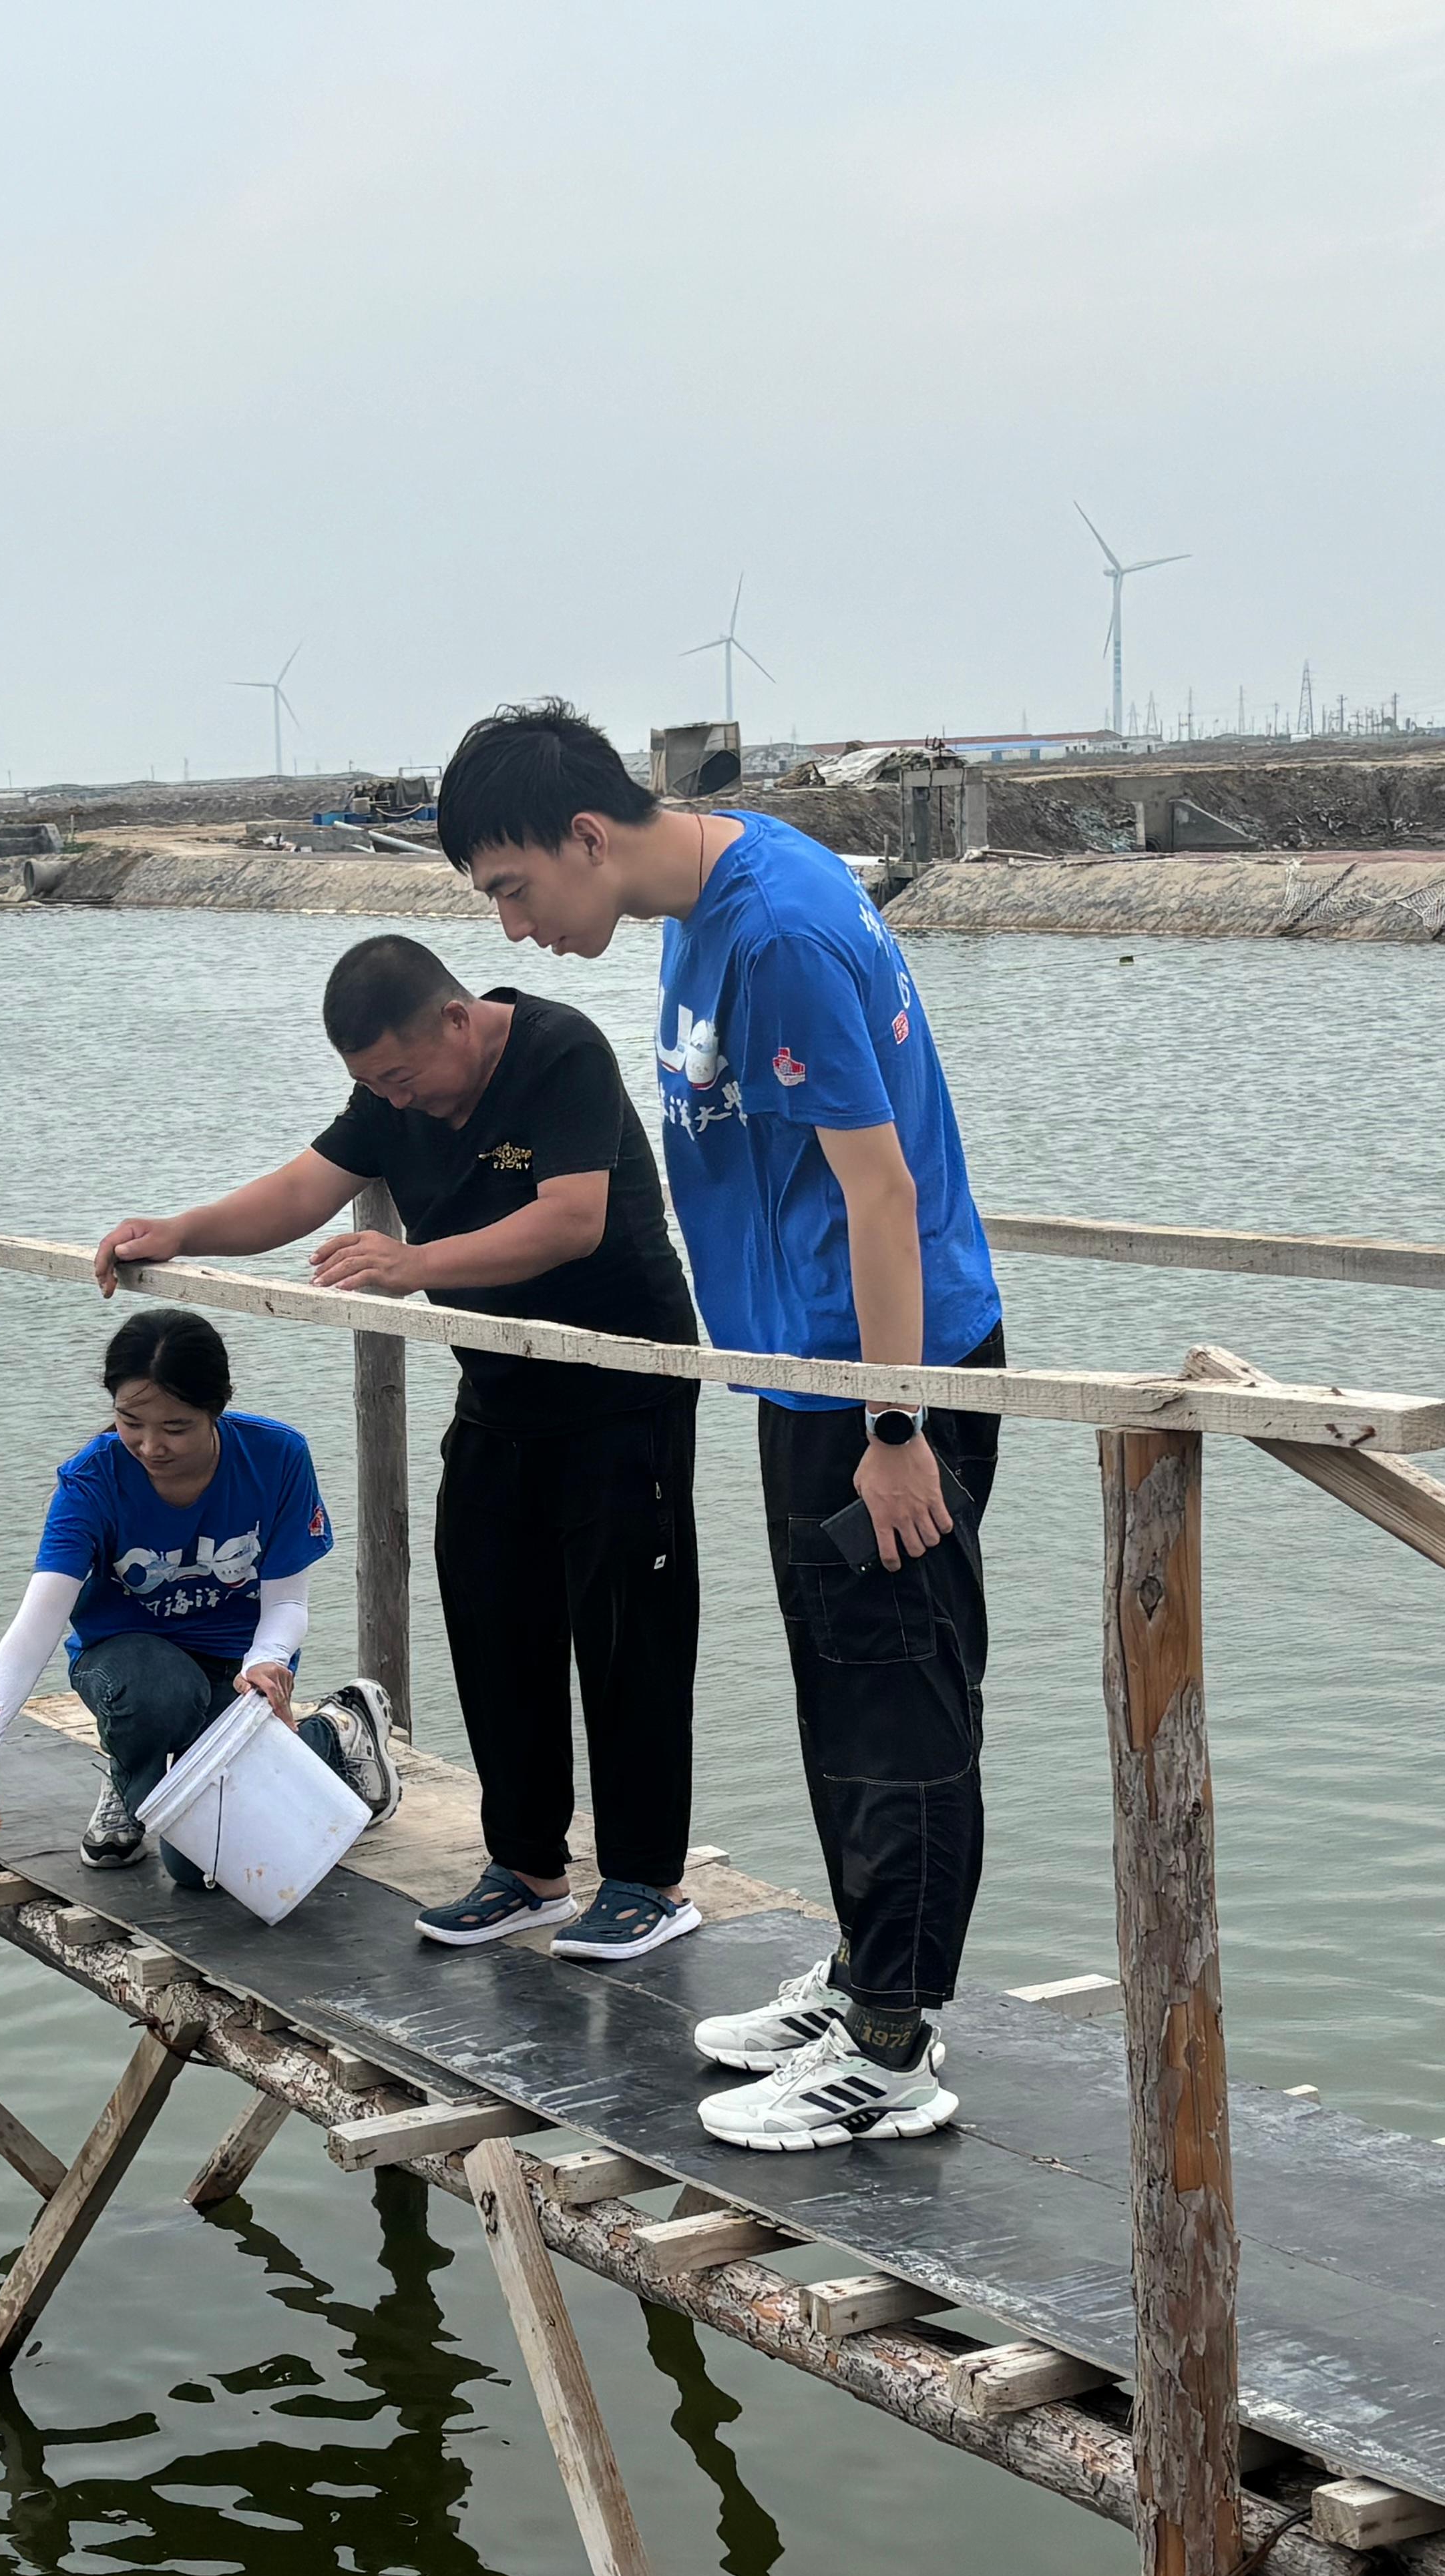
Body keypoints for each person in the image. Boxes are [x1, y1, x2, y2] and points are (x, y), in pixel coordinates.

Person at [436, 702, 1005, 2153]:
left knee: (898, 1702)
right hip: (804, 1370)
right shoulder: (698, 903)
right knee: (838, 1690)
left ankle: (894, 2046)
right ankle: (871, 1977)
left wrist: (897, 1422)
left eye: (511, 889)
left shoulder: (776, 935)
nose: (510, 930)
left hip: (885, 1379)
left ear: (584, 835)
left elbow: (881, 1194)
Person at [91, 933, 708, 1962]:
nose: (399, 1102)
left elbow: (572, 1221)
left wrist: (413, 1264)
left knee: (623, 1634)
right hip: (500, 1386)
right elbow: (302, 1190)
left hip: (623, 1384)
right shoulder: (392, 1095)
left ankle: (649, 1880)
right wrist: (181, 1230)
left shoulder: (562, 1052)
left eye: (403, 1078)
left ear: (456, 1022)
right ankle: (528, 1870)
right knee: (488, 1610)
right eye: (376, 1087)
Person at [0, 1306, 400, 1882]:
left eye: (176, 1427)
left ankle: (339, 1730)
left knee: (193, 1870)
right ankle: (132, 1779)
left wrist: (266, 1663)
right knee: (157, 1691)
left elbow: (287, 1604)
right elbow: (38, 1623)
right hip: (131, 1661)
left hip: (238, 1664)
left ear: (216, 1409)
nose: (151, 1447)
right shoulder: (91, 1482)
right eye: (131, 1422)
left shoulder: (278, 1457)